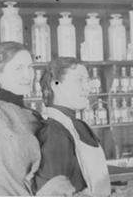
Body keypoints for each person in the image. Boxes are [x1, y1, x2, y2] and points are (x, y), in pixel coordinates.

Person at [34, 57, 111, 196]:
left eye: (87, 80)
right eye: (79, 80)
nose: (88, 87)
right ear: (56, 85)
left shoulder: (80, 125)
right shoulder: (55, 133)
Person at [0, 41, 42, 196]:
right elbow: (4, 180)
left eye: (30, 67)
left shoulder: (28, 113)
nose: (28, 75)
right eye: (19, 68)